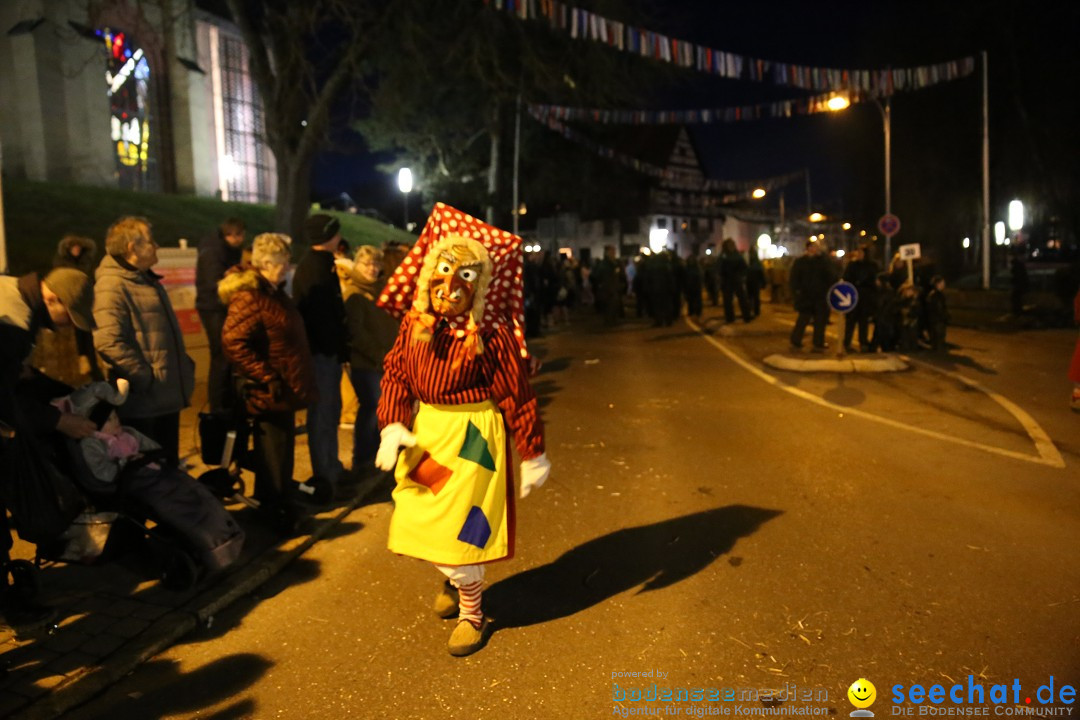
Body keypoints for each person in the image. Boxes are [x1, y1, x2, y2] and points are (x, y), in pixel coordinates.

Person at [374, 203, 550, 657]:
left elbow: (517, 393)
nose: (451, 285)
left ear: (481, 286)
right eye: (446, 269)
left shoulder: (491, 334)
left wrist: (532, 451)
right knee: (420, 516)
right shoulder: (415, 325)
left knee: (463, 529)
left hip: (474, 439)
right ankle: (452, 579)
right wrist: (392, 422)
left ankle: (473, 612)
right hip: (428, 431)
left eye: (466, 276)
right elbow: (395, 373)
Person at [0, 267, 96, 625]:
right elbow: (3, 400)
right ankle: (12, 607)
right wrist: (60, 421)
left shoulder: (8, 289)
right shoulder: (12, 320)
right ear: (52, 298)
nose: (67, 326)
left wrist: (20, 372)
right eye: (69, 317)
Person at [220, 233, 317, 533]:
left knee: (281, 450)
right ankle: (273, 512)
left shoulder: (273, 292)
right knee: (272, 453)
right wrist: (266, 375)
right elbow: (233, 341)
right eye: (282, 262)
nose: (287, 267)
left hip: (283, 386)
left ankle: (279, 503)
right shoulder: (251, 295)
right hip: (269, 390)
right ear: (266, 263)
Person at [93, 217, 195, 464]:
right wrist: (144, 377)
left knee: (167, 470)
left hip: (162, 397)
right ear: (132, 248)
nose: (157, 246)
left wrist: (183, 365)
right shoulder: (113, 285)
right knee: (151, 474)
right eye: (150, 241)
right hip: (145, 403)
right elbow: (108, 340)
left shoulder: (144, 279)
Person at [292, 213, 348, 490]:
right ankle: (325, 474)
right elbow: (321, 317)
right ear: (327, 236)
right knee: (323, 414)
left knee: (330, 412)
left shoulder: (321, 264)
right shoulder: (314, 268)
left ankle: (332, 467)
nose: (339, 237)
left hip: (328, 353)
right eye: (335, 233)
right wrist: (334, 348)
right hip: (321, 355)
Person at [343, 245, 399, 477]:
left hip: (385, 361)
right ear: (357, 264)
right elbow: (356, 334)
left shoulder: (382, 290)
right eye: (367, 264)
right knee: (371, 410)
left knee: (384, 410)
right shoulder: (354, 293)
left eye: (376, 264)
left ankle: (377, 457)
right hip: (367, 365)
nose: (372, 269)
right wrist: (380, 355)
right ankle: (363, 460)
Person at [195, 218, 246, 413]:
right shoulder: (214, 251)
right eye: (239, 236)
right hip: (213, 307)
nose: (241, 240)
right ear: (231, 235)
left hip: (217, 306)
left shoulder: (220, 248)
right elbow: (213, 281)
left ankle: (225, 400)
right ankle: (218, 403)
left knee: (226, 354)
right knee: (221, 355)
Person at [789, 240, 836, 351]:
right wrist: (796, 292)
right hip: (806, 296)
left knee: (820, 321)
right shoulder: (801, 262)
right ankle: (796, 340)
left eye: (817, 247)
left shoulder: (823, 261)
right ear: (808, 248)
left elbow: (831, 275)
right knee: (803, 319)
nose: (815, 249)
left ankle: (818, 342)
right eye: (813, 246)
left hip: (820, 296)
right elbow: (794, 278)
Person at [842, 246, 879, 352]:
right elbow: (846, 278)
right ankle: (847, 343)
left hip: (865, 298)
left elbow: (874, 280)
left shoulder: (872, 266)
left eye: (861, 253)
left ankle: (863, 342)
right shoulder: (852, 265)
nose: (859, 254)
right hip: (852, 297)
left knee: (863, 322)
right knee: (850, 322)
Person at [719, 239, 751, 323]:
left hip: (737, 280)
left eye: (732, 245)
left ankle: (746, 316)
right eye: (729, 245)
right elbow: (718, 267)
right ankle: (730, 318)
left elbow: (744, 267)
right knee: (728, 301)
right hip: (727, 281)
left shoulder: (738, 256)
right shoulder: (723, 256)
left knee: (742, 299)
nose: (731, 247)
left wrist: (742, 275)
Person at [924, 275, 950, 352]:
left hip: (936, 319)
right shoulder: (936, 295)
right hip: (937, 319)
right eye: (942, 283)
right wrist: (944, 316)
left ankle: (937, 349)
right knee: (938, 336)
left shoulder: (935, 294)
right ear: (937, 284)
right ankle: (938, 352)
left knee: (938, 336)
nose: (944, 285)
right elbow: (938, 308)